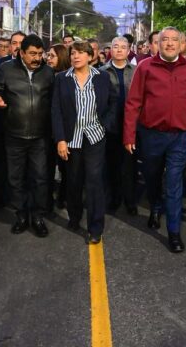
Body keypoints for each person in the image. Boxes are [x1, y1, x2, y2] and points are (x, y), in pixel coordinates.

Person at [124, 26, 186, 253]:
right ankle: (155, 206)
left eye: (174, 40)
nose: (169, 43)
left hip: (180, 137)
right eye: (165, 40)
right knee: (151, 177)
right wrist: (129, 135)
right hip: (151, 136)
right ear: (158, 44)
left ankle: (173, 232)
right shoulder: (145, 67)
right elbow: (133, 104)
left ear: (181, 44)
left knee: (173, 183)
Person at [0, 34, 55, 236]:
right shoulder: (6, 69)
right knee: (15, 178)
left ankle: (38, 216)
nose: (37, 58)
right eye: (32, 54)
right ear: (22, 53)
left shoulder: (48, 72)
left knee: (40, 178)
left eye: (40, 54)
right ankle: (21, 216)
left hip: (40, 136)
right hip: (14, 135)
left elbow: (55, 101)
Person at [52, 41, 116, 244]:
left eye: (80, 53)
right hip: (71, 138)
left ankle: (95, 227)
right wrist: (61, 139)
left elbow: (113, 102)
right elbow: (56, 110)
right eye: (73, 53)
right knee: (73, 180)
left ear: (90, 56)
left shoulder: (102, 77)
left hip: (95, 136)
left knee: (94, 181)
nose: (76, 56)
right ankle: (75, 215)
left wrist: (105, 125)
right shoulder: (62, 79)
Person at [101, 36, 137, 214]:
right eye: (116, 46)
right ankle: (114, 198)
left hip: (132, 125)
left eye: (123, 47)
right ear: (111, 50)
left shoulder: (137, 71)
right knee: (112, 164)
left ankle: (130, 200)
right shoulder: (101, 72)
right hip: (110, 125)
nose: (120, 50)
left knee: (130, 165)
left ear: (129, 50)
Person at [45, 43, 71, 209]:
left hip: (64, 129)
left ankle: (63, 196)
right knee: (47, 167)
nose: (48, 59)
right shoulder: (45, 75)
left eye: (52, 56)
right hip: (46, 129)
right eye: (48, 55)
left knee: (65, 167)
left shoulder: (68, 77)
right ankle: (47, 198)